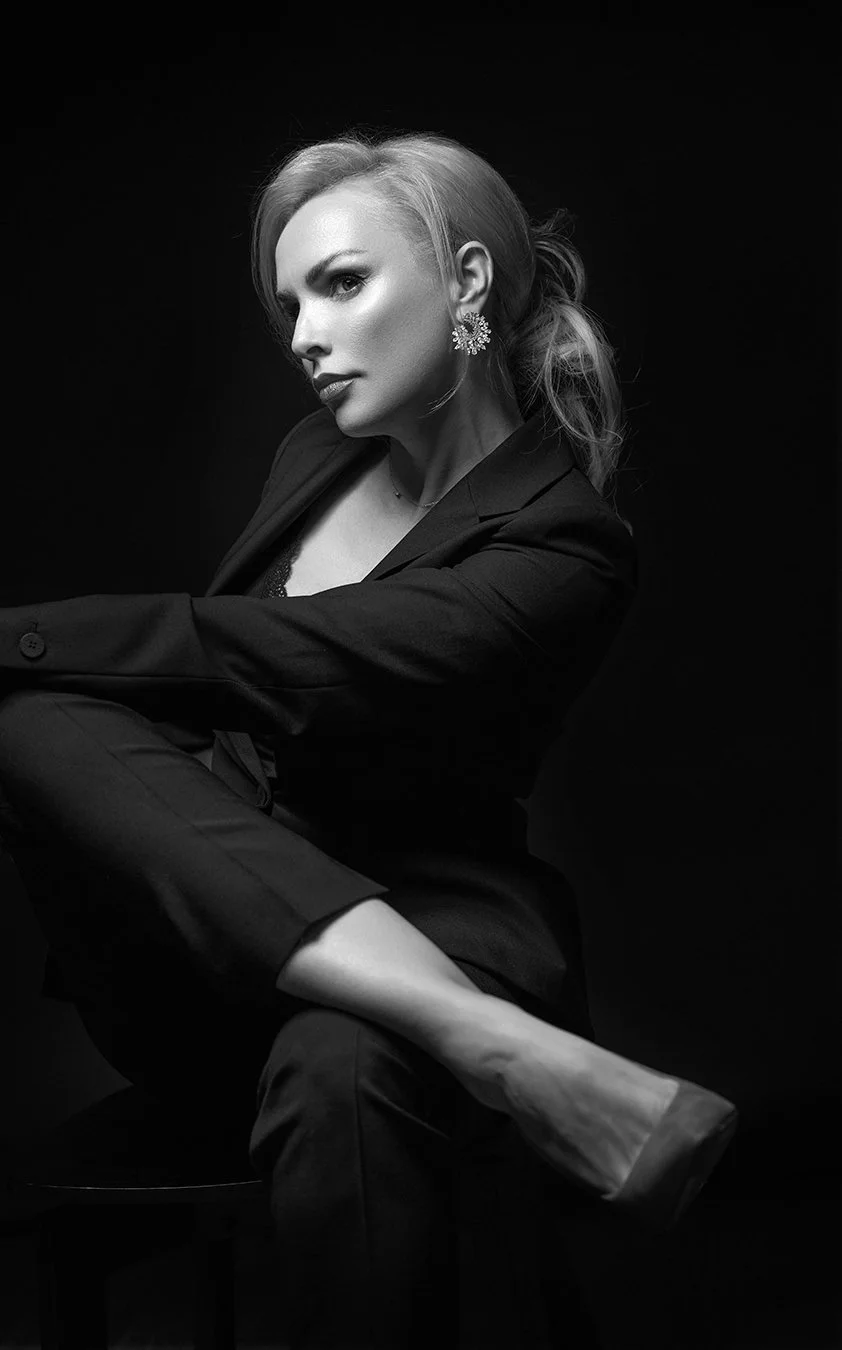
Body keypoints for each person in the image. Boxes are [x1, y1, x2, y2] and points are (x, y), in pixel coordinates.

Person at [0, 130, 737, 1349]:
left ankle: (450, 1018)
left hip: (438, 911)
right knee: (27, 716)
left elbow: (277, 663)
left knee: (343, 1058)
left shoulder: (562, 545)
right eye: (289, 300)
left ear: (463, 283)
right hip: (210, 952)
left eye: (339, 284)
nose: (300, 332)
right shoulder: (313, 457)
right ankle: (494, 1046)